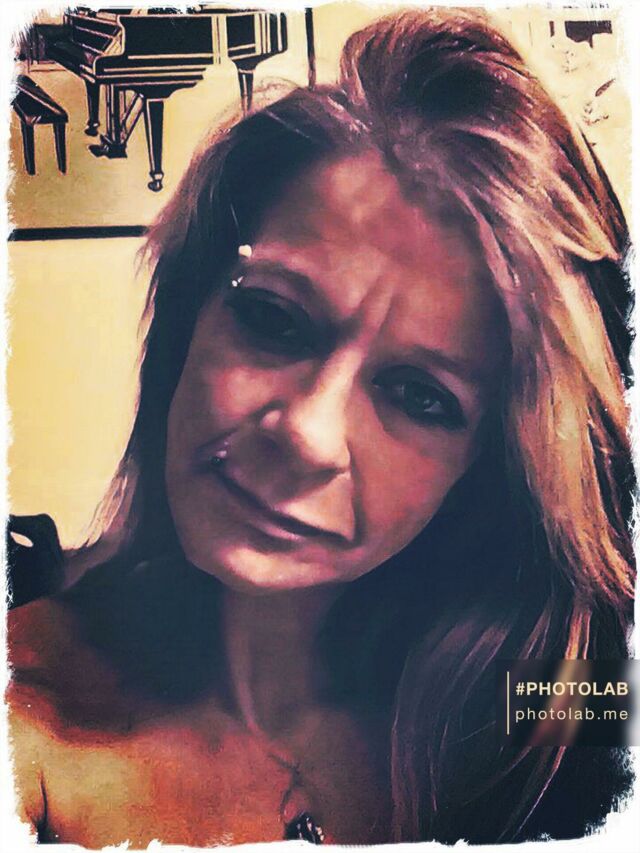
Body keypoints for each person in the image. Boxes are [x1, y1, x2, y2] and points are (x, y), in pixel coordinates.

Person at [7, 7, 635, 847]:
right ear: (189, 320)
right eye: (274, 318)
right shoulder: (27, 717)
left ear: (493, 467)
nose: (305, 432)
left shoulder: (550, 714)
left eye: (421, 396)